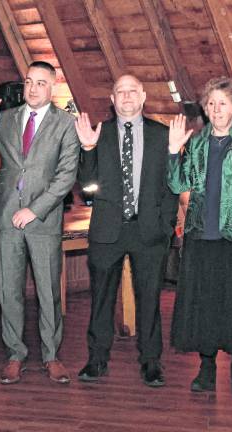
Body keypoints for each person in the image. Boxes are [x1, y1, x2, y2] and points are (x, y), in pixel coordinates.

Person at [166, 77, 232, 397]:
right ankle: (207, 368)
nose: (216, 110)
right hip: (201, 239)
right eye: (211, 104)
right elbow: (177, 185)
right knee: (205, 306)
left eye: (223, 104)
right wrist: (174, 152)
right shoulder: (197, 143)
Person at [0, 61, 80, 385]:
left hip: (43, 220)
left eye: (41, 83)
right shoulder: (5, 119)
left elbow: (66, 177)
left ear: (53, 86)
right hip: (6, 217)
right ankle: (15, 354)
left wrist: (35, 210)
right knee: (8, 290)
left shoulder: (66, 124)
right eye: (29, 82)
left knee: (49, 291)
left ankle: (51, 355)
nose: (33, 89)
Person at [74, 74, 179, 387]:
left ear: (143, 96)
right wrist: (88, 148)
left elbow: (172, 185)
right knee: (102, 299)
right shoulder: (99, 133)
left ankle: (150, 362)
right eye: (121, 91)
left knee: (149, 299)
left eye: (133, 91)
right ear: (112, 98)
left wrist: (167, 225)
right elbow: (87, 186)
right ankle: (96, 359)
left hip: (149, 231)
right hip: (108, 229)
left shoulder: (163, 135)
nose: (127, 96)